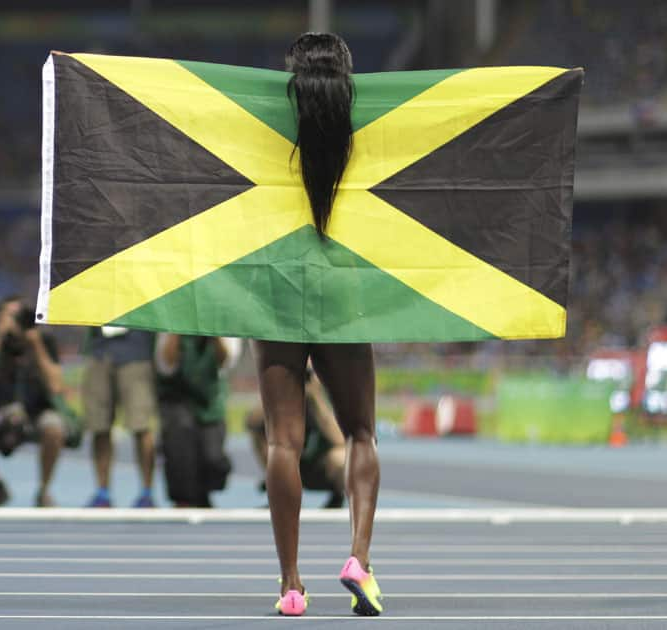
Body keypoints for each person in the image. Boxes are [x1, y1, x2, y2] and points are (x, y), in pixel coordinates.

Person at [258, 33, 382, 617]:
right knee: (361, 431)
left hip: (279, 283)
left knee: (283, 439)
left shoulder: (264, 122)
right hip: (342, 284)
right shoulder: (370, 122)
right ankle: (359, 557)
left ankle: (290, 583)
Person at [0, 296, 74, 507]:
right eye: (10, 315)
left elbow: (56, 386)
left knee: (54, 428)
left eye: (19, 316)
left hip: (35, 413)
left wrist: (36, 344)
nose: (16, 321)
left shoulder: (43, 341)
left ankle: (43, 490)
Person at [154, 334, 241, 508]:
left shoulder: (222, 319)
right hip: (177, 396)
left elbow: (226, 362)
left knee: (214, 458)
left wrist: (213, 332)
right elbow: (166, 365)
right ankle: (183, 499)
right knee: (180, 437)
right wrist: (176, 329)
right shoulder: (172, 319)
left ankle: (205, 490)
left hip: (210, 399)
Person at [246, 368, 346, 509]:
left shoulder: (328, 392)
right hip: (291, 465)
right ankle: (280, 494)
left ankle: (337, 496)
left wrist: (315, 398)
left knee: (341, 456)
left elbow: (339, 439)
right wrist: (277, 392)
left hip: (320, 466)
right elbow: (252, 422)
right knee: (259, 439)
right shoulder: (282, 395)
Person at [81, 327, 157, 508]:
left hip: (136, 352)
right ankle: (102, 492)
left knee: (141, 425)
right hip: (100, 351)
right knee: (99, 426)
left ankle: (147, 492)